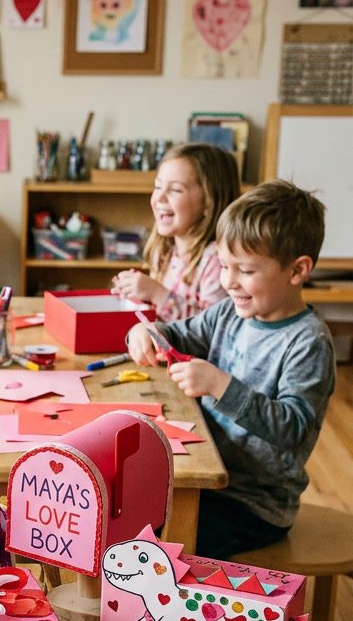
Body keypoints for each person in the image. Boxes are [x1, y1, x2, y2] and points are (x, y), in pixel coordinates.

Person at [125, 180, 335, 559]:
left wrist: (221, 386)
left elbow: (293, 428)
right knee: (122, 511)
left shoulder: (308, 342)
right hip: (205, 476)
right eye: (224, 265)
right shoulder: (230, 313)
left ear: (298, 270)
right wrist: (145, 331)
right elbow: (178, 332)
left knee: (153, 548)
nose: (229, 281)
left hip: (254, 505)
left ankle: (174, 617)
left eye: (246, 270)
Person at [111, 142, 241, 322]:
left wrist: (158, 294)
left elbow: (214, 327)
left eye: (175, 189)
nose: (160, 198)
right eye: (157, 186)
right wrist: (138, 295)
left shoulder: (218, 261)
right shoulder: (164, 252)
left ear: (208, 202)